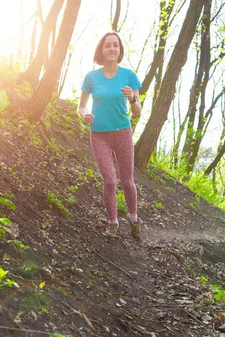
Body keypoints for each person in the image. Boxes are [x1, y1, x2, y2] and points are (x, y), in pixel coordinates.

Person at [78, 32, 142, 240]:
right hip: (99, 135)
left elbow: (138, 111)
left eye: (115, 45)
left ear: (120, 50)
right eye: (108, 45)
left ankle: (133, 220)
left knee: (127, 180)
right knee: (110, 180)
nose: (112, 49)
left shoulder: (129, 76)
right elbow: (81, 107)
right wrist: (84, 116)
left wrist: (132, 98)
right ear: (101, 50)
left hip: (122, 133)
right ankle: (113, 222)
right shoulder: (91, 77)